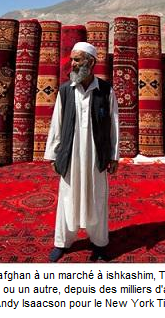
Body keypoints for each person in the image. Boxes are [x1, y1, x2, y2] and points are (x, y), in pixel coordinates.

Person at [44, 41, 119, 262]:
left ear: (90, 62)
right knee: (67, 197)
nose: (73, 64)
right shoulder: (66, 90)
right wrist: (52, 154)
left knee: (97, 198)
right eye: (72, 60)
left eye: (77, 60)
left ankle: (99, 244)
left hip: (96, 155)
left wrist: (114, 156)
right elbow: (56, 123)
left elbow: (114, 124)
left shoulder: (105, 90)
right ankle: (62, 242)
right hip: (71, 153)